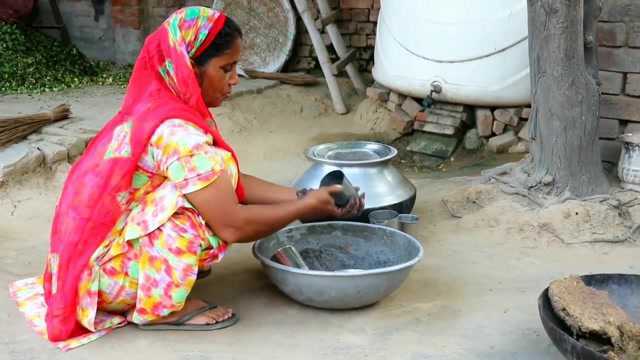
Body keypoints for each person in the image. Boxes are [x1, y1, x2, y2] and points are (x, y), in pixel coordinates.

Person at [9, 7, 363, 350]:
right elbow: (233, 226)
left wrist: (301, 196)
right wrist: (303, 208)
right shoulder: (177, 132)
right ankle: (161, 307)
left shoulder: (158, 105)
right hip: (100, 279)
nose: (235, 79)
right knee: (190, 215)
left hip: (85, 260)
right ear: (190, 68)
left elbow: (226, 177)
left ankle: (157, 273)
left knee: (203, 187)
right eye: (226, 68)